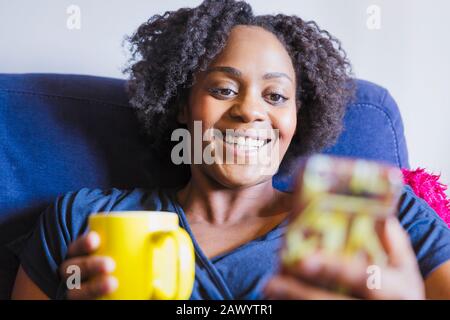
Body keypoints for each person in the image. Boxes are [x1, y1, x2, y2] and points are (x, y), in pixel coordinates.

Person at [9, 0, 450, 299]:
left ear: (297, 119)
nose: (249, 111)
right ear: (182, 106)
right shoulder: (81, 221)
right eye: (223, 89)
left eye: (275, 96)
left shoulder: (373, 215)